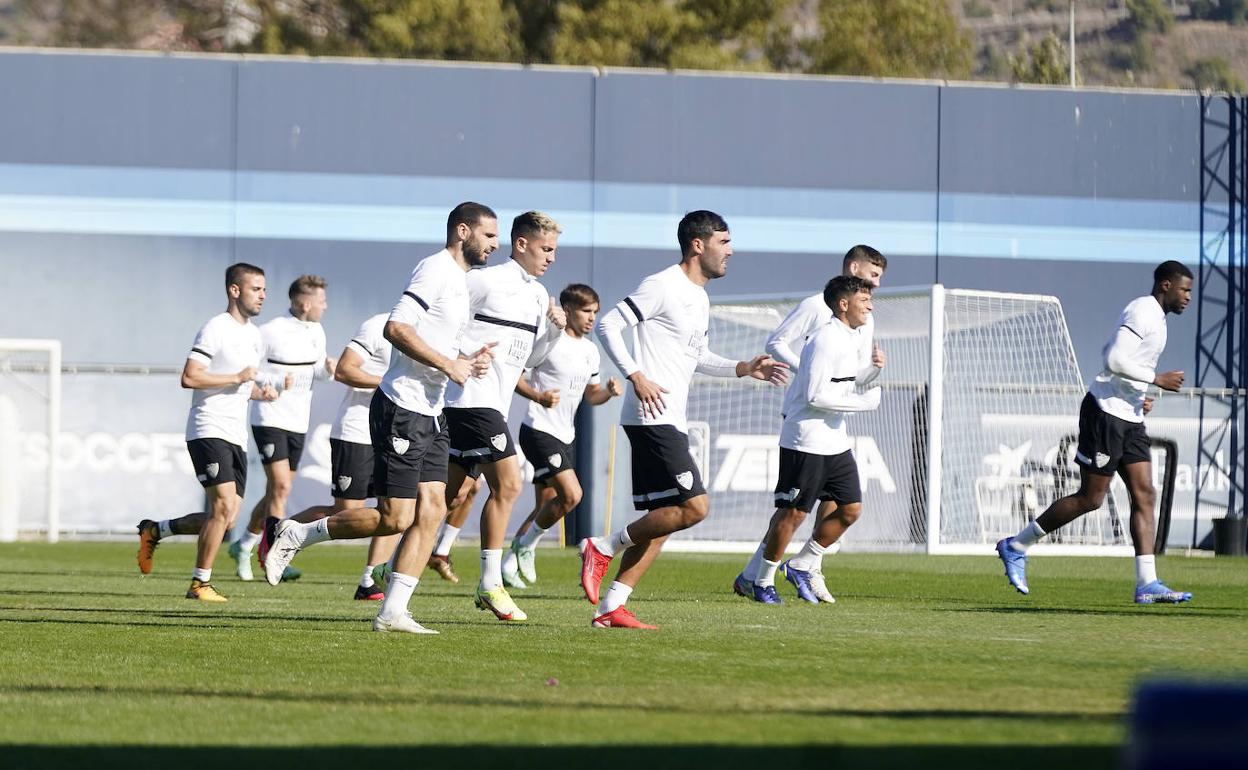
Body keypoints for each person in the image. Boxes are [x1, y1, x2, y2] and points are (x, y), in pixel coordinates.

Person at [262, 202, 498, 634]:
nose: (494, 244)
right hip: (402, 407)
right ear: (463, 231)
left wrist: (467, 360)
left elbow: (437, 344)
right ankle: (297, 534)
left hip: (431, 409)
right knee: (395, 518)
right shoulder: (436, 269)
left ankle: (392, 612)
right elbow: (396, 328)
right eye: (488, 235)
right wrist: (450, 365)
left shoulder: (461, 284)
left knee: (433, 510)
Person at [585, 210, 789, 629]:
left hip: (670, 416)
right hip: (649, 416)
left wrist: (743, 367)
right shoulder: (662, 285)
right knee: (695, 507)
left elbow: (697, 357)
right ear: (698, 245)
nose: (730, 252)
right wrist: (636, 375)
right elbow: (608, 324)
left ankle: (611, 607)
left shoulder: (699, 296)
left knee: (665, 519)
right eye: (724, 242)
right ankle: (602, 545)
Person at [997, 260, 1194, 605]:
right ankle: (1016, 545)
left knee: (1145, 493)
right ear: (1166, 285)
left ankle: (1146, 582)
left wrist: (1141, 396)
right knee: (1091, 498)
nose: (1188, 297)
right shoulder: (1143, 311)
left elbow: (1128, 367)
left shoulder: (1159, 320)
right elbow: (1113, 359)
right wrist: (1157, 380)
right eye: (1185, 289)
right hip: (1104, 414)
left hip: (1129, 418)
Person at [733, 245, 887, 603]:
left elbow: (848, 376)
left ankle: (805, 564)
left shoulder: (860, 322)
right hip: (807, 426)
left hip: (835, 424)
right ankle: (759, 578)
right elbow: (788, 355)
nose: (875, 291)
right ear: (852, 272)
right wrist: (810, 374)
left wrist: (871, 373)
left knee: (844, 505)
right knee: (794, 512)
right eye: (872, 277)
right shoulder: (819, 316)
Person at [438, 211, 567, 622]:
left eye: (554, 251)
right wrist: (458, 359)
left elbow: (529, 360)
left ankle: (391, 565)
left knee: (442, 499)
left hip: (492, 404)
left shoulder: (537, 295)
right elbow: (440, 325)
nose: (551, 258)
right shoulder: (482, 280)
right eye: (545, 249)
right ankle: (490, 584)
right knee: (509, 484)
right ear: (522, 244)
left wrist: (554, 331)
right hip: (466, 400)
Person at [135, 263, 286, 601]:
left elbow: (242, 383)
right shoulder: (215, 328)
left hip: (236, 434)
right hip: (208, 427)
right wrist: (237, 377)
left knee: (228, 518)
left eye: (264, 289)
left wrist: (263, 392)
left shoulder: (253, 335)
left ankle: (156, 530)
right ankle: (199, 583)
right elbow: (190, 377)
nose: (263, 295)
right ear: (235, 290)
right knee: (221, 509)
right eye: (255, 288)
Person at [264, 311, 400, 601]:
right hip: (356, 432)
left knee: (393, 511)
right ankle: (278, 533)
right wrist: (389, 383)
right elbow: (344, 371)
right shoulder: (378, 325)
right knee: (345, 512)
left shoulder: (431, 334)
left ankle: (369, 581)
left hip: (395, 435)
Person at [500, 283, 623, 589]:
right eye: (585, 311)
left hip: (564, 434)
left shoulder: (591, 351)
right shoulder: (550, 342)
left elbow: (591, 395)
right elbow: (514, 377)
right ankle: (526, 547)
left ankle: (507, 564)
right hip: (538, 430)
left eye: (595, 311)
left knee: (548, 505)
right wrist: (538, 397)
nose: (592, 317)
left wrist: (606, 392)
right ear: (567, 311)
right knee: (573, 495)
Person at [229, 275, 335, 582]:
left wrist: (326, 371)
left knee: (275, 491)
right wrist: (273, 382)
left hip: (297, 421)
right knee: (282, 488)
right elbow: (249, 371)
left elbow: (315, 373)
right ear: (304, 302)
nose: (325, 307)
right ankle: (272, 554)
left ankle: (245, 543)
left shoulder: (317, 330)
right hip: (269, 416)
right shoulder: (269, 331)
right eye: (321, 301)